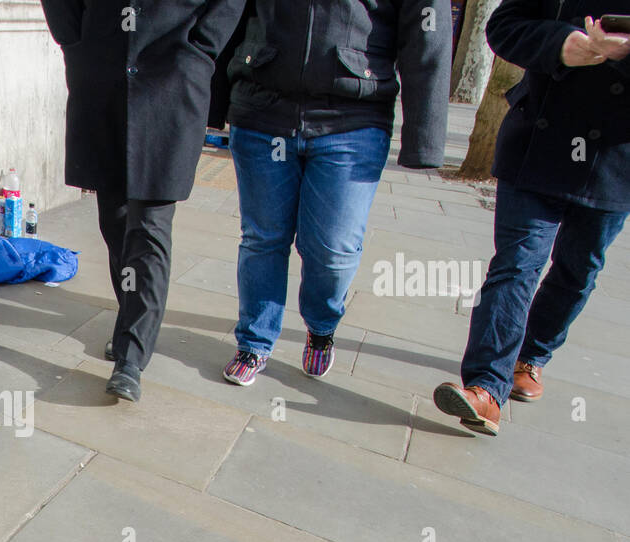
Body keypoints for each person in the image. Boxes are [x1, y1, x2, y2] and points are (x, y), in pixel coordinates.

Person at [221, 0, 451, 386]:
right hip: (262, 109)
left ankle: (322, 325)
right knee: (262, 238)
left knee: (332, 248)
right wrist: (209, 104)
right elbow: (225, 11)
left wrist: (424, 138)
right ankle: (254, 342)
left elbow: (429, 33)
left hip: (354, 119)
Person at [434, 3, 630, 435]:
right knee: (516, 265)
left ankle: (532, 356)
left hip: (616, 162)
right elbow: (503, 26)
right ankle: (485, 389)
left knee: (579, 270)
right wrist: (560, 44)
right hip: (538, 143)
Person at [41, 0, 248, 401]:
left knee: (150, 224)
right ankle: (130, 316)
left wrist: (200, 47)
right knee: (114, 217)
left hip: (172, 76)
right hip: (102, 72)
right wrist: (75, 42)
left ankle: (131, 356)